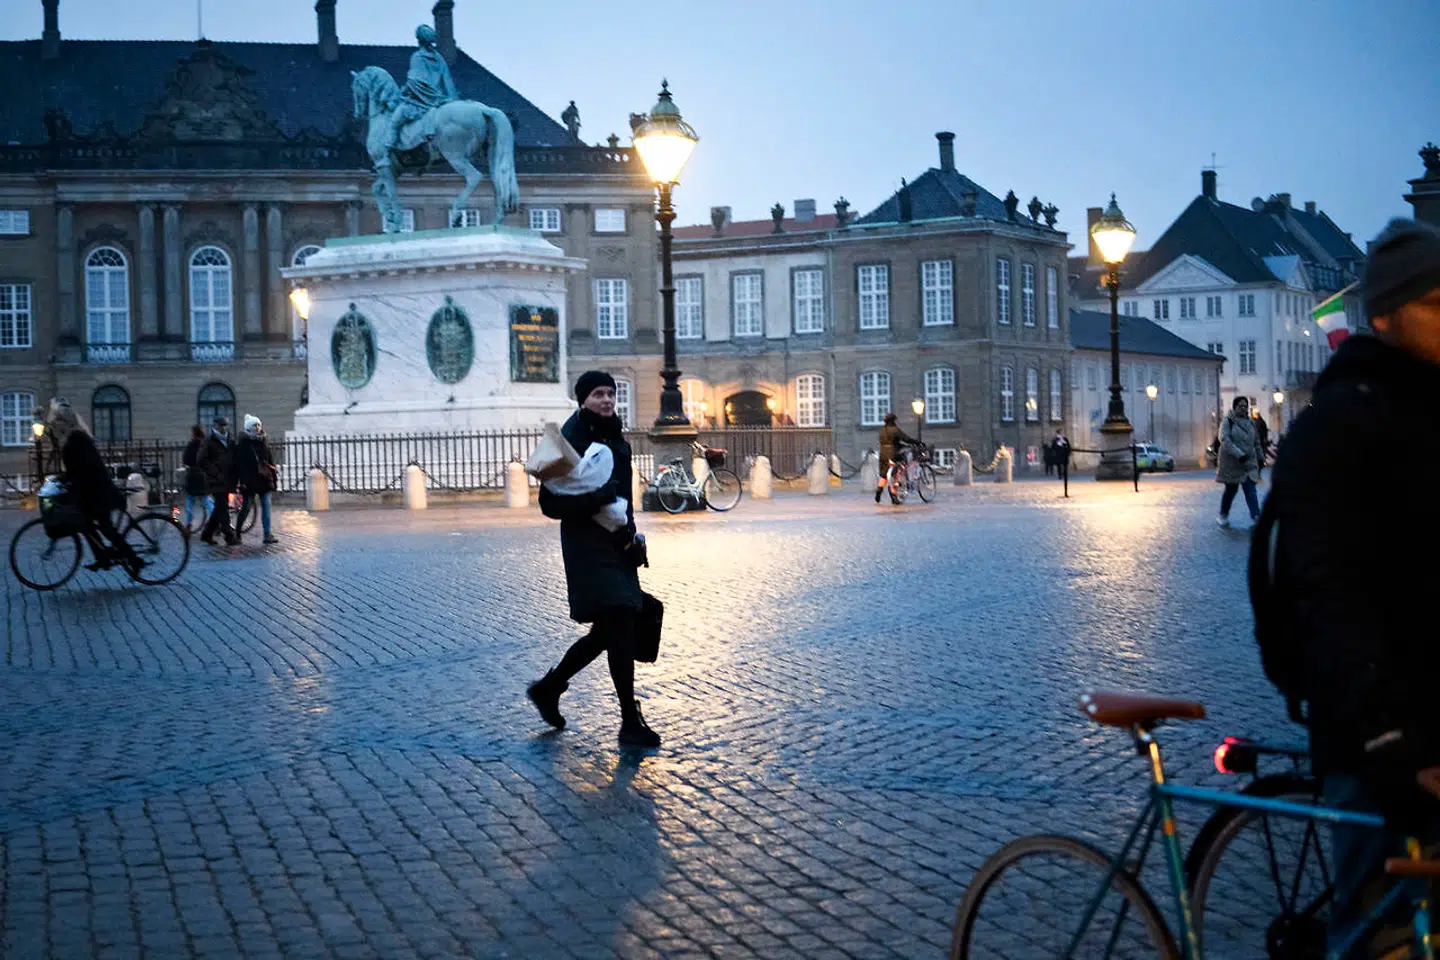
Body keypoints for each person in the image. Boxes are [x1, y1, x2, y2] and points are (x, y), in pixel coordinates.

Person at [1263, 219, 1440, 955]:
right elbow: (1329, 592)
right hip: (1375, 731)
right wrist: (1388, 733)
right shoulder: (1337, 427)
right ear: (1386, 315)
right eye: (1436, 303)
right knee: (1375, 932)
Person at [526, 370, 661, 748]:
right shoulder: (571, 438)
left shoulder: (615, 436)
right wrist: (594, 500)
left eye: (610, 393)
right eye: (598, 394)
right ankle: (629, 721)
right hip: (587, 546)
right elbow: (549, 503)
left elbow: (622, 497)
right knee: (620, 623)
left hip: (618, 544)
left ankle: (549, 688)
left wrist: (632, 536)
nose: (606, 400)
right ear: (582, 399)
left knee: (608, 630)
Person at [44, 398, 143, 573]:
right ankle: (103, 557)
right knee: (90, 525)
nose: (55, 427)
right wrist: (64, 479)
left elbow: (80, 469)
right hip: (94, 491)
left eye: (57, 423)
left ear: (64, 424)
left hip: (98, 492)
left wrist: (64, 480)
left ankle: (132, 559)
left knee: (102, 527)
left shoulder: (76, 441)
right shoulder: (75, 439)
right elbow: (77, 469)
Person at [1214, 396, 1263, 527]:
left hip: (1248, 463)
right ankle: (1223, 514)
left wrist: (1260, 457)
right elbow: (1225, 440)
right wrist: (1239, 455)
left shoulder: (1251, 423)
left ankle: (1256, 516)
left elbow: (1256, 442)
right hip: (1232, 463)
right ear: (1234, 407)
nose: (1243, 408)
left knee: (1250, 490)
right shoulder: (1227, 421)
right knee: (1231, 490)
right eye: (1240, 406)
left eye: (1245, 406)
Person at [234, 415, 278, 545]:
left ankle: (267, 533)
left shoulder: (263, 440)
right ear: (248, 428)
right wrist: (242, 482)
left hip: (264, 479)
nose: (257, 428)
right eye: (254, 426)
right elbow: (240, 465)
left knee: (266, 506)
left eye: (258, 425)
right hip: (250, 481)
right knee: (246, 508)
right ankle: (237, 532)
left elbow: (270, 461)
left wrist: (274, 479)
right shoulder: (243, 444)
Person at [196, 416, 238, 546]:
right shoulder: (209, 441)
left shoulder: (230, 440)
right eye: (221, 425)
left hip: (228, 479)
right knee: (223, 507)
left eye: (225, 425)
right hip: (215, 480)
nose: (223, 428)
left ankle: (207, 534)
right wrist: (215, 472)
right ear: (215, 426)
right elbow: (201, 460)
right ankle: (229, 535)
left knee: (219, 507)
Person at [875, 412, 919, 504]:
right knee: (895, 474)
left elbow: (890, 442)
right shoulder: (894, 429)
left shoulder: (882, 430)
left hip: (883, 453)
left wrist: (900, 445)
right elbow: (906, 438)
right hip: (893, 453)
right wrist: (917, 442)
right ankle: (894, 496)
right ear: (893, 420)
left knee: (884, 474)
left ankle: (879, 490)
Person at [181, 425, 212, 533]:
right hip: (204, 475)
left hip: (192, 475)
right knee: (206, 500)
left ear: (194, 433)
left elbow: (185, 460)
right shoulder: (206, 445)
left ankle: (189, 523)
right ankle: (216, 520)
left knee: (190, 501)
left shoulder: (191, 445)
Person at [1251, 407, 1271, 476]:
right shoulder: (1253, 422)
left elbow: (1264, 432)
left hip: (1259, 442)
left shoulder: (1260, 422)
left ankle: (1258, 471)